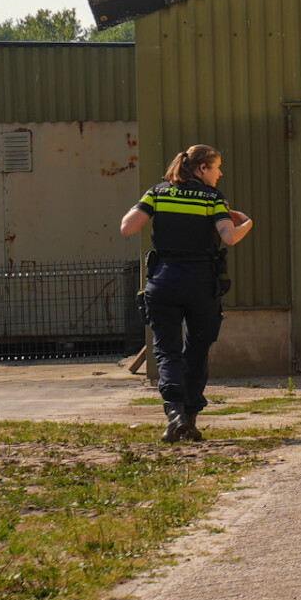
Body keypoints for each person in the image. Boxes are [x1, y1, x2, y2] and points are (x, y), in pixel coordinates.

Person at [120, 145, 252, 443]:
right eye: (217, 167)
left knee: (167, 351)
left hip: (163, 282)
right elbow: (229, 237)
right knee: (196, 350)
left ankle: (174, 415)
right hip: (201, 284)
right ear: (202, 169)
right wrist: (247, 223)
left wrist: (150, 203)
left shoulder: (158, 192)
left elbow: (127, 227)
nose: (220, 173)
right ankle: (190, 418)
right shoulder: (213, 198)